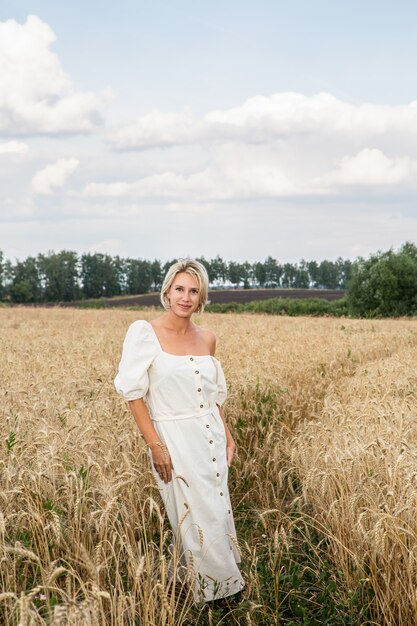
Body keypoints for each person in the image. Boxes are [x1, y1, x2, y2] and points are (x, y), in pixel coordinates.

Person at [114, 258, 245, 603]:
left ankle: (213, 588)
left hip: (211, 438)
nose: (186, 297)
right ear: (167, 292)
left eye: (193, 290)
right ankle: (215, 592)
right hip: (173, 438)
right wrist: (156, 445)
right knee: (187, 512)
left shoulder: (208, 338)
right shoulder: (145, 333)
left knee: (215, 509)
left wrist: (228, 437)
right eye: (180, 289)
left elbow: (214, 398)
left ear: (201, 297)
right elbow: (134, 395)